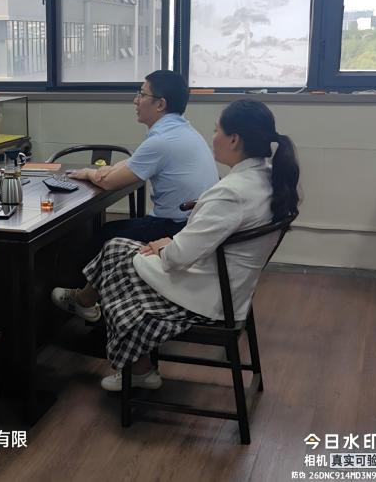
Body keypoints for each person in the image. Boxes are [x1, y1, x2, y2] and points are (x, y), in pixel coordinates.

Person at [53, 99, 299, 391]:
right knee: (117, 249)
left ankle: (132, 363)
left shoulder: (232, 193)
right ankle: (124, 348)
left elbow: (179, 257)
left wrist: (164, 247)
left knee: (115, 253)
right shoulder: (267, 176)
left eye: (217, 130)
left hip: (207, 294)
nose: (213, 137)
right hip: (228, 284)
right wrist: (171, 243)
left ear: (234, 139)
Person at [69, 70, 219, 243]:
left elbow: (108, 182)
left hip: (176, 228)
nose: (136, 100)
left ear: (160, 104)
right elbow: (133, 162)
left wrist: (88, 173)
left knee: (102, 235)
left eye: (142, 94)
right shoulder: (181, 130)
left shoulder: (162, 140)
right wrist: (109, 169)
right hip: (195, 222)